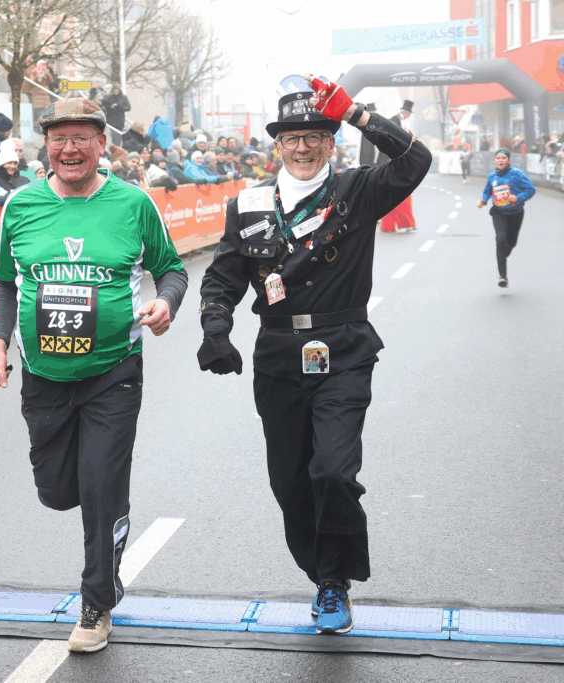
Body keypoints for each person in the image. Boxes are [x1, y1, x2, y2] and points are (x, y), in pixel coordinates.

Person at [198, 81, 431, 635]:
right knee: (290, 482)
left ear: (332, 142)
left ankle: (334, 580)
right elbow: (223, 276)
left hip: (344, 349)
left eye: (314, 137)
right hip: (277, 354)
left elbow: (416, 157)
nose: (302, 148)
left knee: (332, 471)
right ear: (277, 146)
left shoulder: (360, 189)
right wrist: (215, 329)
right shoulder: (250, 202)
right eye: (292, 139)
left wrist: (354, 111)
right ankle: (319, 568)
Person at [0, 98, 187, 653]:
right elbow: (3, 282)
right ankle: (97, 527)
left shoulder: (134, 203)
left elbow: (171, 268)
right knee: (58, 491)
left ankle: (97, 602)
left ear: (102, 145)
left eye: (82, 139)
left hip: (112, 372)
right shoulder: (20, 206)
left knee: (100, 487)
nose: (69, 149)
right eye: (59, 139)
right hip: (43, 374)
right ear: (46, 145)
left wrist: (165, 303)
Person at [476, 149, 535, 288]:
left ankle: (504, 252)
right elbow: (487, 191)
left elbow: (531, 189)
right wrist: (483, 200)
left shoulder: (517, 174)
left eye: (503, 158)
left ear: (508, 160)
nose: (501, 160)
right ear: (495, 160)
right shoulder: (492, 176)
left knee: (511, 242)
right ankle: (503, 276)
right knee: (500, 239)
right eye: (498, 158)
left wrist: (518, 197)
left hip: (516, 212)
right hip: (499, 212)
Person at [377, 100, 417, 233]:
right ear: (406, 113)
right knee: (402, 193)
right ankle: (405, 223)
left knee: (391, 194)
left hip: (393, 160)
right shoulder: (395, 121)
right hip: (395, 160)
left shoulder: (396, 121)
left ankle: (391, 225)